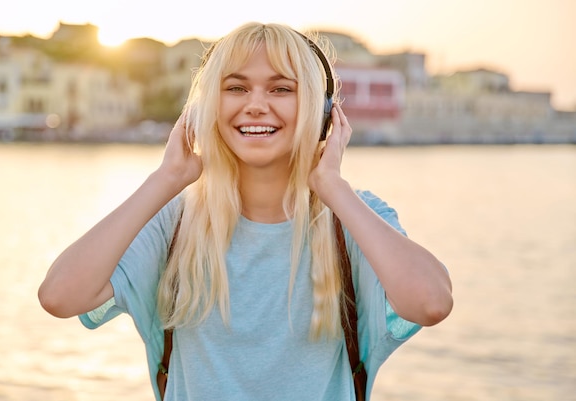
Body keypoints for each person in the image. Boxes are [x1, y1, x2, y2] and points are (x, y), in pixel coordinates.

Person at [38, 22, 453, 401]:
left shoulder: (354, 221)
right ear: (205, 110)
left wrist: (333, 187)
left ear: (323, 113)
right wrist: (165, 179)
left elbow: (431, 303)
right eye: (235, 88)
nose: (256, 105)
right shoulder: (173, 222)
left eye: (281, 89)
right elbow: (59, 296)